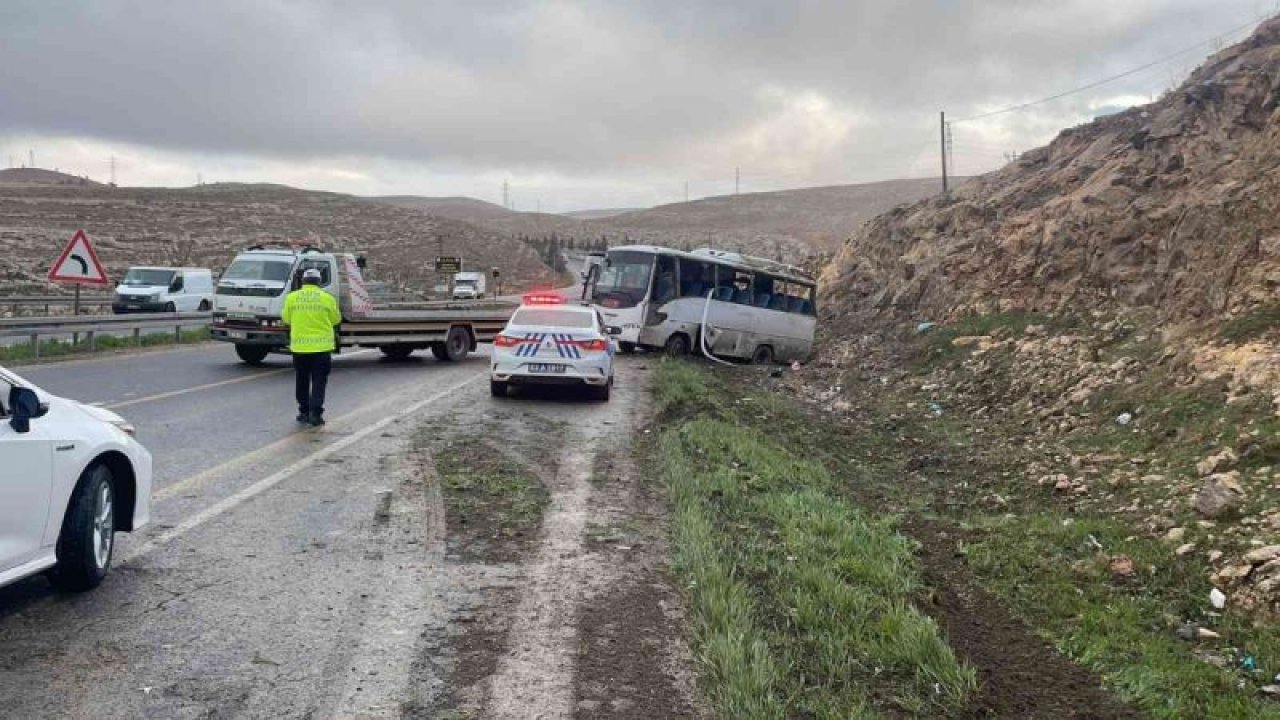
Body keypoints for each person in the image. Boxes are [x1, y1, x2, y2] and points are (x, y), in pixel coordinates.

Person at [281, 268, 341, 426]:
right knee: (319, 381)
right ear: (319, 282)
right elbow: (335, 319)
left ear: (303, 282)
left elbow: (286, 319)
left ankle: (303, 411)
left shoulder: (291, 298)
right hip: (321, 348)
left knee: (302, 380)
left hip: (299, 348)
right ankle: (316, 413)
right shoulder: (328, 298)